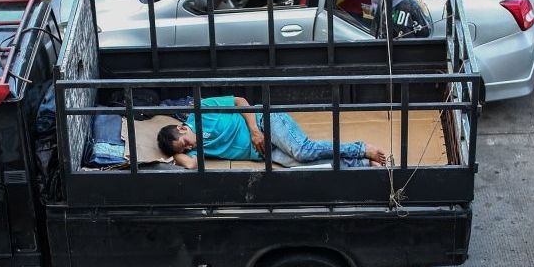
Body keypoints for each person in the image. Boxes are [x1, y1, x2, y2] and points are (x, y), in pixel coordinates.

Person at [157, 95, 386, 169]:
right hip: (265, 153)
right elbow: (190, 164)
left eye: (185, 142)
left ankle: (361, 149)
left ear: (182, 128)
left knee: (303, 151)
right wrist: (174, 151)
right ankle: (362, 165)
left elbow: (240, 101)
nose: (189, 147)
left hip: (265, 123)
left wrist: (255, 131)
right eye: (185, 149)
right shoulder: (196, 149)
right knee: (304, 165)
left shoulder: (201, 110)